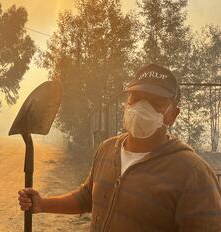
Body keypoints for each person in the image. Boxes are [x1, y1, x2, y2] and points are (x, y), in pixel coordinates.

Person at [18, 64, 221, 231]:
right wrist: (43, 204)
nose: (141, 107)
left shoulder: (192, 173)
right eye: (135, 98)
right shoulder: (108, 149)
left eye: (155, 102)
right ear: (126, 102)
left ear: (173, 114)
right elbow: (88, 197)